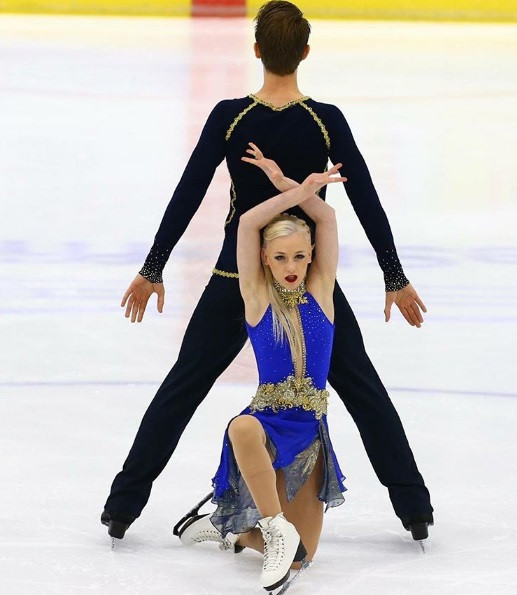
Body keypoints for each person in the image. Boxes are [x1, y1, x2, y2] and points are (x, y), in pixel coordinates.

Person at [101, 0, 433, 543]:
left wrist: (153, 266)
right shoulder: (325, 119)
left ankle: (123, 505)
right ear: (306, 52)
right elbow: (365, 197)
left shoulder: (231, 115)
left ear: (256, 50)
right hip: (306, 278)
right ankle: (415, 509)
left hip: (237, 278)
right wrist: (393, 275)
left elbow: (189, 191)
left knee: (185, 384)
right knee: (363, 388)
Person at [179, 146, 347, 592]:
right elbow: (249, 224)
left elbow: (327, 218)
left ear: (311, 255)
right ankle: (273, 528)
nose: (290, 267)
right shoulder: (257, 296)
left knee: (303, 556)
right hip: (266, 427)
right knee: (241, 427)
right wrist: (287, 192)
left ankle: (230, 529)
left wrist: (295, 187)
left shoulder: (321, 292)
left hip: (308, 433)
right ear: (265, 259)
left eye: (298, 256)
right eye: (280, 257)